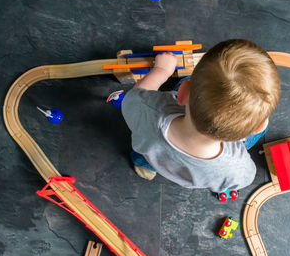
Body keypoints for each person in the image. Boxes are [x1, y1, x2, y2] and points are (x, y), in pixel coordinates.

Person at [120, 39, 281, 192]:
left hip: (153, 151)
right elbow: (244, 179)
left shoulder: (149, 109)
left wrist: (161, 71)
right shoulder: (235, 166)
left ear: (181, 93)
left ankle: (143, 165)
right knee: (261, 132)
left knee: (144, 156)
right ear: (254, 128)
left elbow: (133, 98)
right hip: (200, 173)